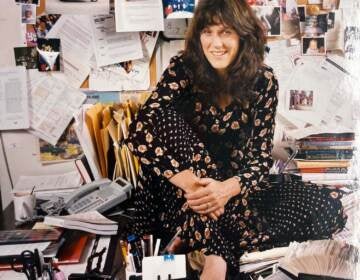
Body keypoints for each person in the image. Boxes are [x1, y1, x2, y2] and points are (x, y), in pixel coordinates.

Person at [125, 0, 347, 279]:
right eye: (208, 32)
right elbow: (139, 132)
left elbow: (259, 159)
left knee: (327, 208)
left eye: (225, 32)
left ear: (243, 36)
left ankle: (204, 240)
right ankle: (216, 257)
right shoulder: (183, 68)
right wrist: (197, 188)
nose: (215, 43)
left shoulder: (263, 80)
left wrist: (224, 190)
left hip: (233, 190)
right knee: (165, 119)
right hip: (181, 187)